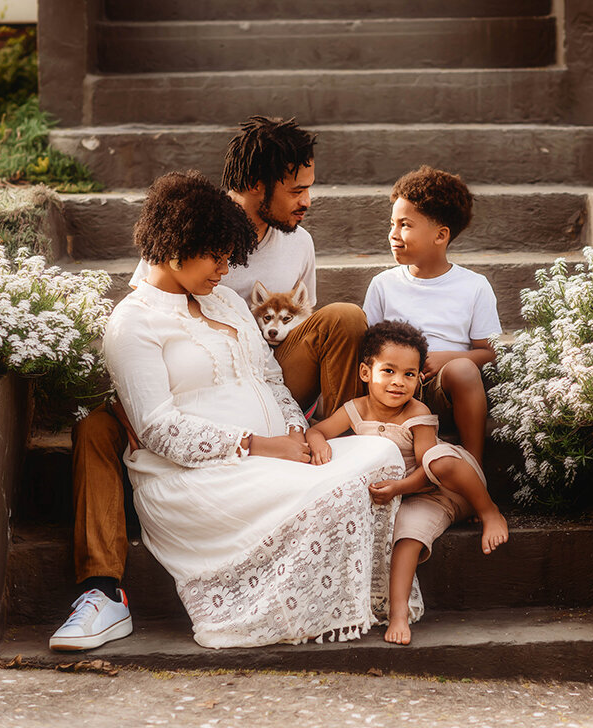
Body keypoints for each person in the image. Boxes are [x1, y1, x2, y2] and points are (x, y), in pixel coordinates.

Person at [51, 116, 367, 651]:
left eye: (309, 187)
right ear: (254, 187)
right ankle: (100, 589)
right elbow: (154, 317)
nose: (307, 200)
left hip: (265, 365)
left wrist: (297, 426)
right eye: (297, 189)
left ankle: (335, 438)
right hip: (189, 385)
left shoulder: (288, 250)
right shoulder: (187, 228)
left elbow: (285, 345)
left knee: (344, 318)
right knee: (96, 432)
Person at [305, 321, 508, 646]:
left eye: (409, 374)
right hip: (412, 499)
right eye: (389, 371)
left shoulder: (417, 411)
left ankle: (489, 510)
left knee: (435, 465)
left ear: (419, 378)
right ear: (365, 373)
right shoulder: (354, 410)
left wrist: (398, 488)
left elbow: (428, 471)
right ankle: (396, 612)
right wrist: (317, 442)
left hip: (448, 486)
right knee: (403, 539)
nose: (399, 382)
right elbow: (317, 430)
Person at [362, 166, 499, 464]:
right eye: (392, 224)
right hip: (394, 387)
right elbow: (367, 348)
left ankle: (474, 467)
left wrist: (446, 359)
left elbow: (489, 353)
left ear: (441, 235)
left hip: (442, 389)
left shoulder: (474, 286)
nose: (393, 234)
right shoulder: (384, 285)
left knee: (463, 370)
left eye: (405, 225)